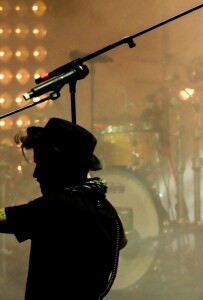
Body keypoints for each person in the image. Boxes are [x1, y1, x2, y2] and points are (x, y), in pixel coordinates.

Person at [0, 117, 127, 300]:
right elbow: (122, 241)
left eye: (41, 164)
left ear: (59, 166)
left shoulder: (55, 207)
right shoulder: (105, 209)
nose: (36, 174)